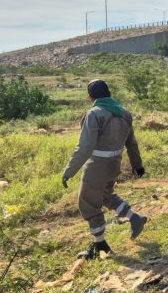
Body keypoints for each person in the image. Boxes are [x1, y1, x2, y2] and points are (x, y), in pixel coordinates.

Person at [62, 79, 147, 260]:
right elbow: (131, 143)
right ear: (109, 92)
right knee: (106, 197)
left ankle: (100, 245)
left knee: (88, 204)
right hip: (114, 164)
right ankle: (134, 218)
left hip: (97, 166)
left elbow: (85, 147)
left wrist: (69, 171)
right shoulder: (124, 113)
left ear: (90, 97)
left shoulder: (94, 113)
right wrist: (137, 165)